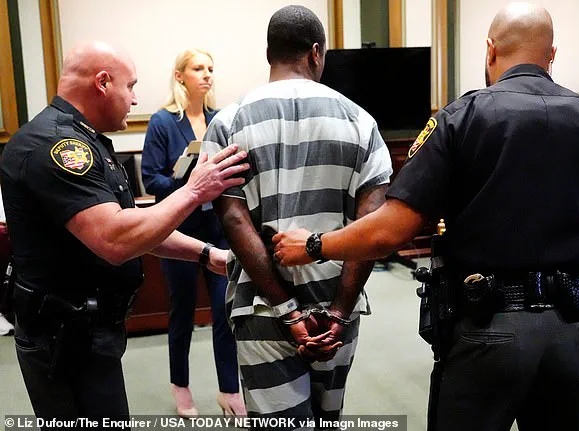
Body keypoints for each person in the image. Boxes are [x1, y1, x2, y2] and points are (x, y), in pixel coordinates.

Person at [273, 3, 579, 430]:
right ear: (552, 54)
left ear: (490, 48)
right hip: (576, 330)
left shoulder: (461, 118)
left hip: (488, 329)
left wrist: (313, 245)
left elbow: (391, 230)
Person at [0, 41, 248, 424]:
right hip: (65, 339)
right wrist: (194, 190)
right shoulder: (57, 146)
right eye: (130, 86)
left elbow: (135, 224)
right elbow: (115, 240)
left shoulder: (85, 139)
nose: (134, 100)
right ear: (102, 83)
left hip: (85, 332)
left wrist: (205, 254)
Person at [201, 5, 392, 423]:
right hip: (335, 308)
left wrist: (287, 310)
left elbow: (233, 221)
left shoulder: (228, 124)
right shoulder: (361, 122)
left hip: (261, 309)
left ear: (269, 53)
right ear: (316, 53)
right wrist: (339, 312)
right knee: (328, 419)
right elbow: (371, 224)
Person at [141, 48, 245, 418]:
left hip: (217, 229)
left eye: (210, 68)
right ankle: (180, 386)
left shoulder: (221, 119)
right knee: (182, 312)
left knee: (224, 310)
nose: (207, 74)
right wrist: (183, 178)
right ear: (180, 75)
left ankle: (229, 389)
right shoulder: (162, 121)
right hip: (179, 231)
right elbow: (150, 179)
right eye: (198, 68)